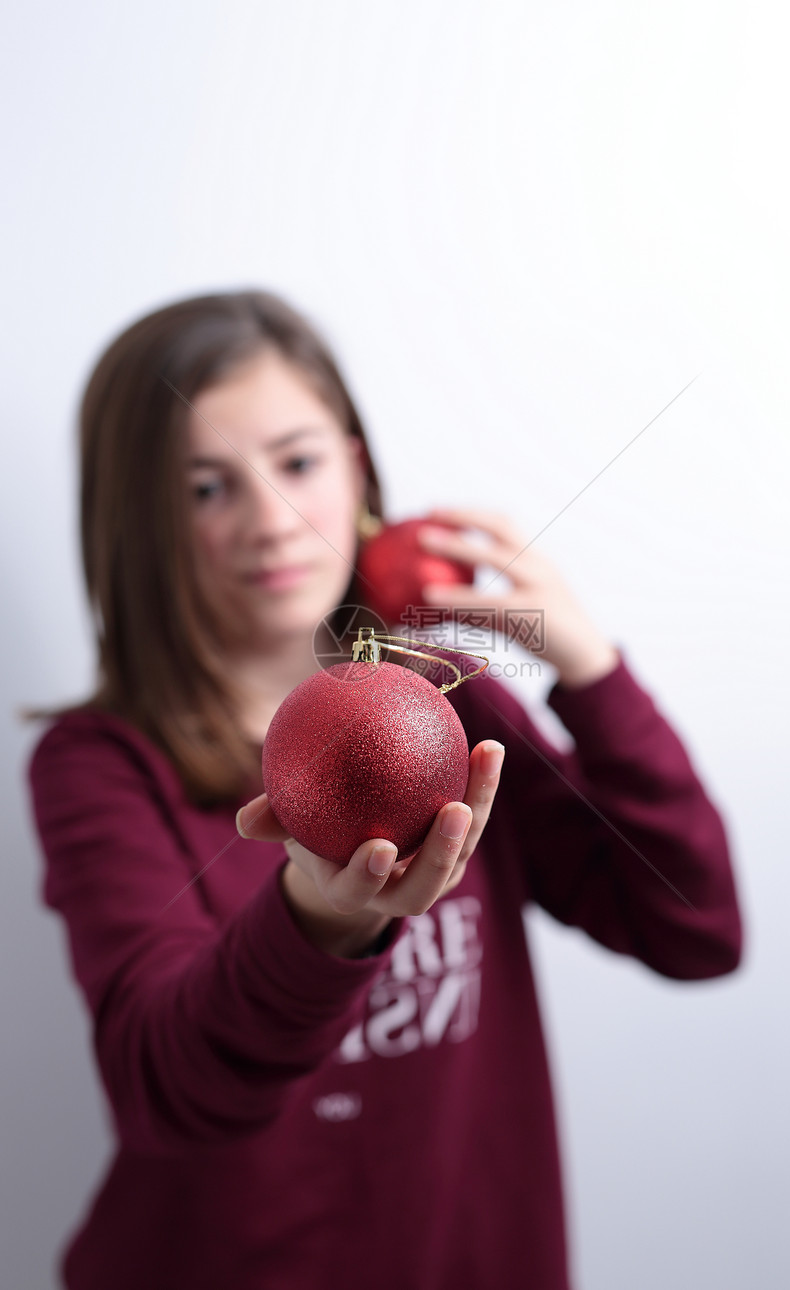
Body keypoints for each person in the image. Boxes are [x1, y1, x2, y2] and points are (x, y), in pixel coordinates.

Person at [27, 288, 743, 1290]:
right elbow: (162, 1092)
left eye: (297, 463)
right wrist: (315, 920)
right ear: (138, 521)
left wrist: (584, 666)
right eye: (203, 487)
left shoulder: (451, 703)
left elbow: (692, 929)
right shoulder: (101, 763)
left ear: (356, 470)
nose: (270, 521)